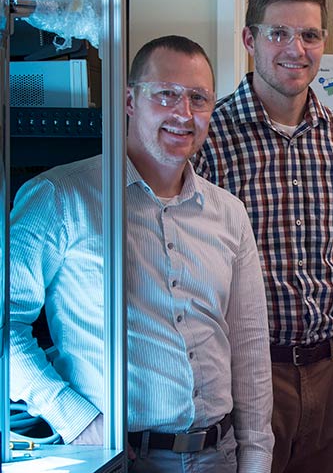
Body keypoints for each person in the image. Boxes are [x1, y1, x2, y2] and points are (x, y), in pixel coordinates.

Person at [9, 35, 273, 472]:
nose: (183, 114)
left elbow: (248, 347)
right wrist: (75, 419)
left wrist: (258, 457)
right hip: (119, 458)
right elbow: (5, 325)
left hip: (219, 456)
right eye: (166, 94)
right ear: (130, 100)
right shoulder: (61, 197)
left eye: (198, 98)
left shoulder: (229, 214)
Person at [193, 0, 333, 473]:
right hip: (248, 373)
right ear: (250, 40)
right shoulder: (208, 138)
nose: (296, 48)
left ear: (323, 43)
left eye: (310, 35)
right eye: (278, 33)